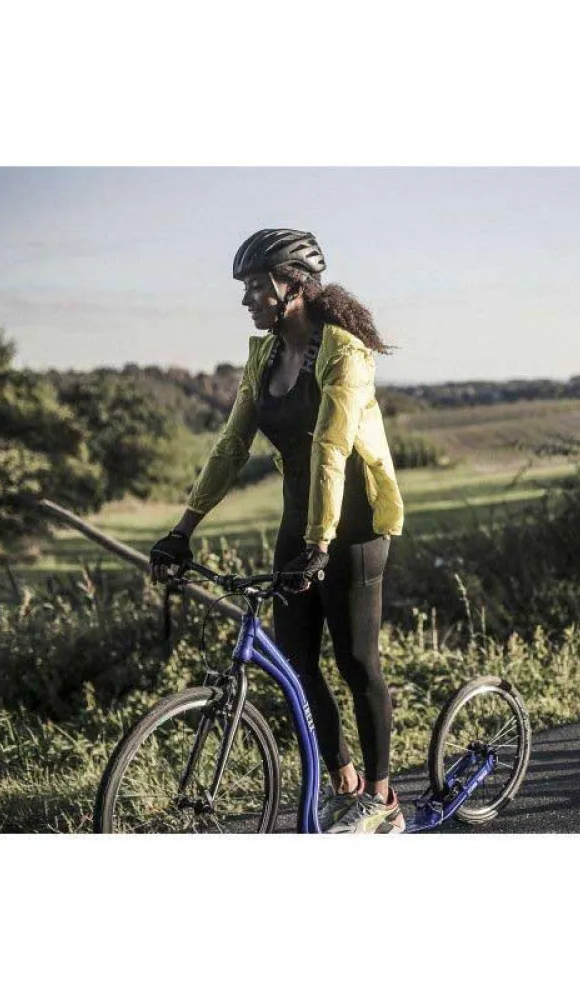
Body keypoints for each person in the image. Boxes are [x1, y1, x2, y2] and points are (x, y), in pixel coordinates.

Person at [149, 228, 406, 832]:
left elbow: (331, 448)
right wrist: (183, 528)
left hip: (355, 525)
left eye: (256, 286)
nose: (247, 299)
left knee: (356, 660)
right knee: (295, 660)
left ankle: (383, 801)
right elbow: (231, 445)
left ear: (294, 286)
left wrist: (321, 543)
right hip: (301, 520)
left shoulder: (345, 354)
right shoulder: (263, 357)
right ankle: (343, 781)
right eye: (245, 288)